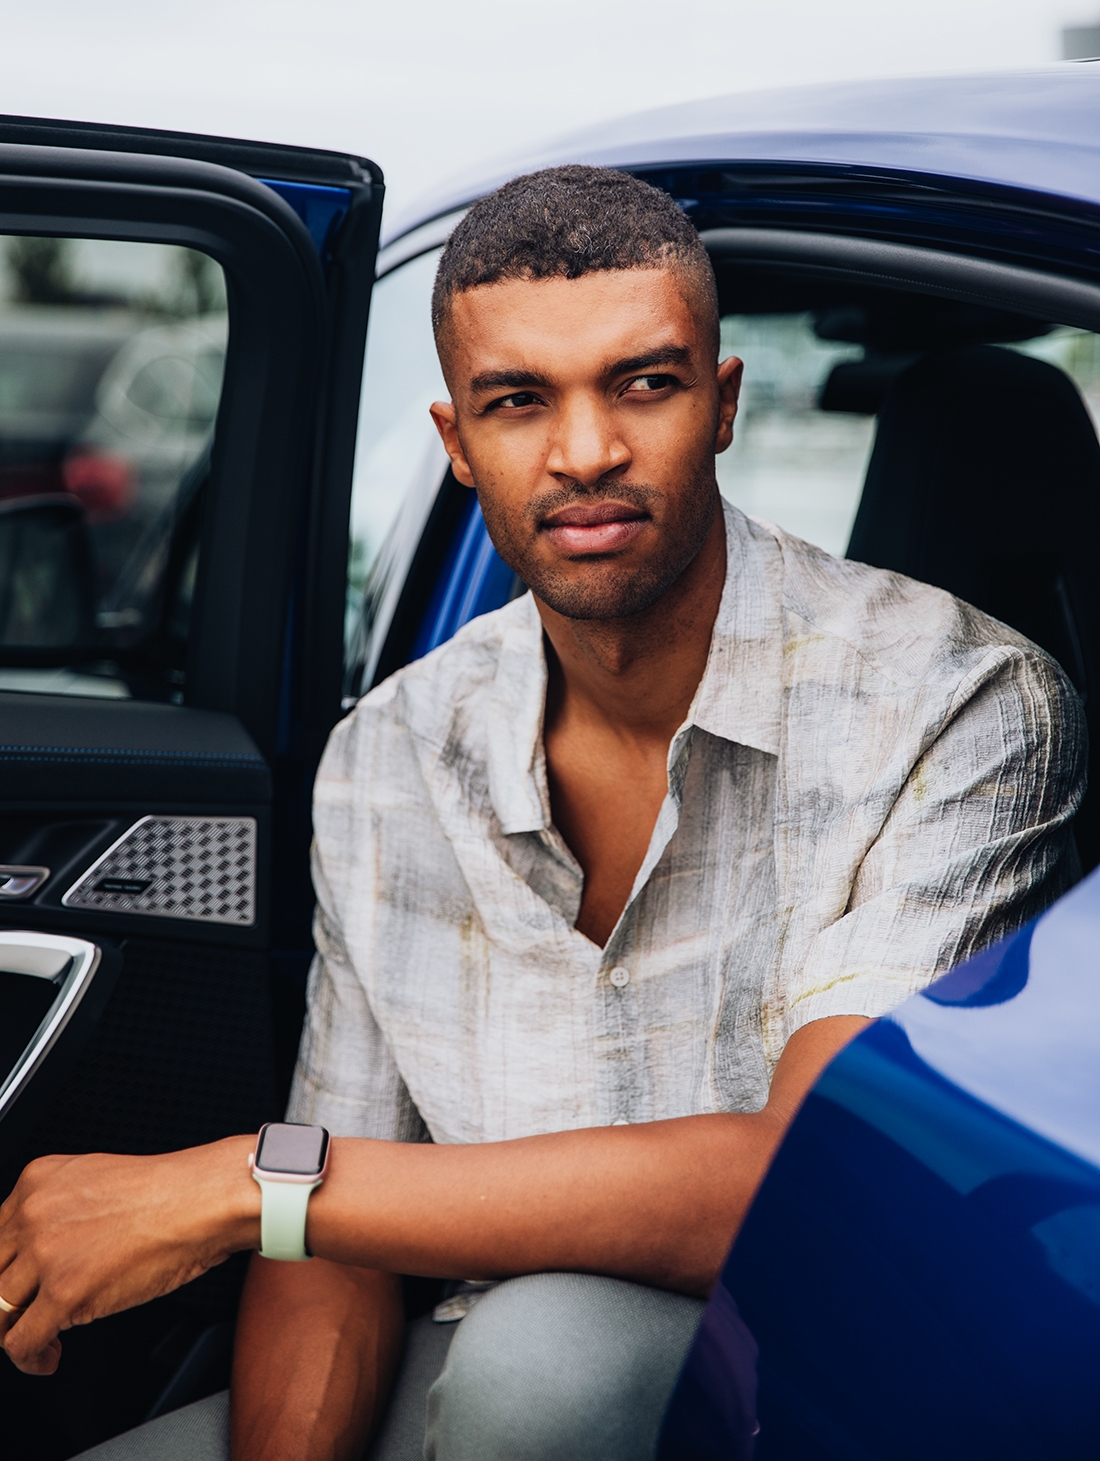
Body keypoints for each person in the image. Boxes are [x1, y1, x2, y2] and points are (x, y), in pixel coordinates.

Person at [0, 166, 1084, 1461]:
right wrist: (288, 1220)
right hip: (453, 1365)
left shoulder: (957, 704)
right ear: (457, 443)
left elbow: (812, 1181)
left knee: (550, 1358)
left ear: (722, 404)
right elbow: (326, 1230)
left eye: (644, 382)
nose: (585, 453)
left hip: (803, 1382)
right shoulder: (392, 752)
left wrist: (248, 1181)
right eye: (520, 402)